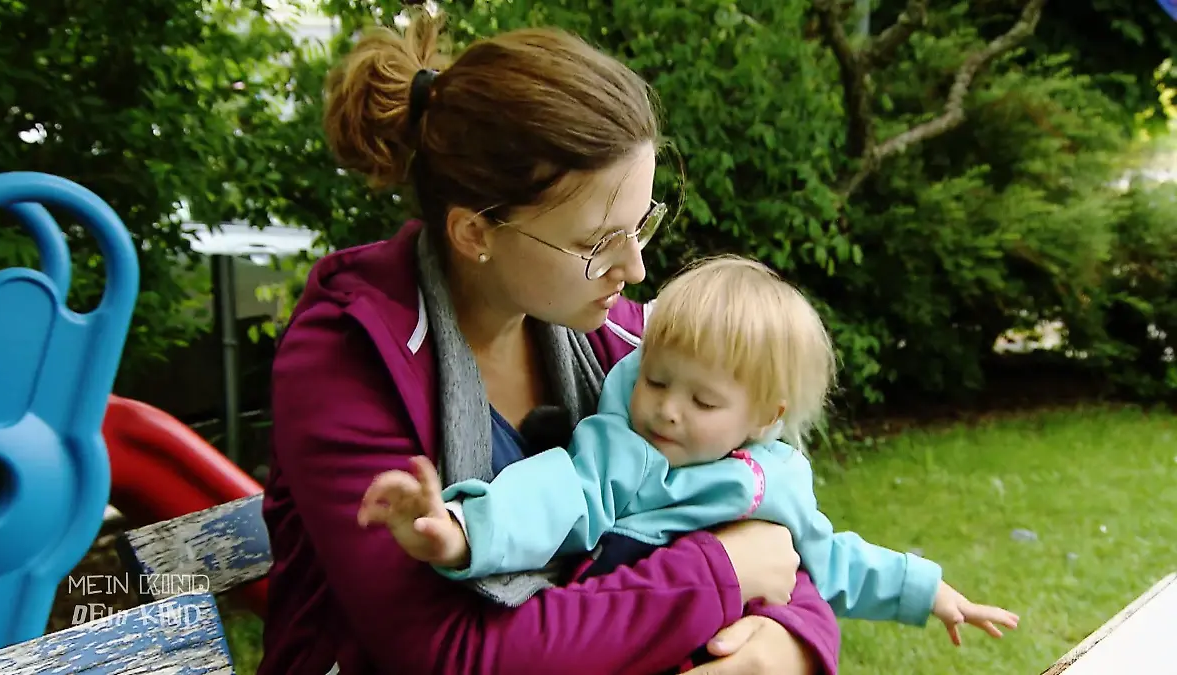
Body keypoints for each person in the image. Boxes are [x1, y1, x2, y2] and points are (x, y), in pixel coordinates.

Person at [258, 8, 842, 675]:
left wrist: (786, 641)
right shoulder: (345, 362)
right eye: (597, 242)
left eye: (640, 224)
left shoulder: (619, 340)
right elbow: (447, 653)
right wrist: (718, 575)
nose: (636, 270)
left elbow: (763, 506)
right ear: (475, 233)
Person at [360, 256, 1020, 648]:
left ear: (766, 417)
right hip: (626, 625)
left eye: (704, 403)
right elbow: (562, 493)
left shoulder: (775, 481)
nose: (667, 408)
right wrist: (460, 530)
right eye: (656, 378)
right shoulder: (624, 441)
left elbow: (826, 557)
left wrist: (924, 589)